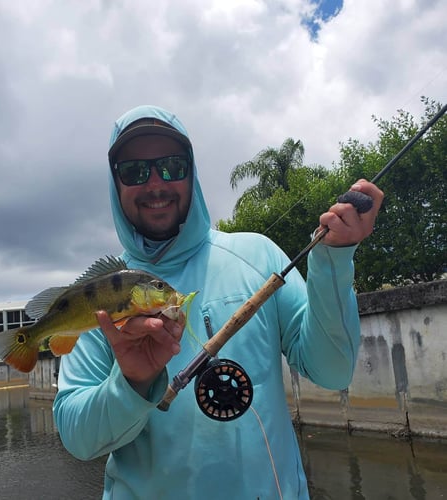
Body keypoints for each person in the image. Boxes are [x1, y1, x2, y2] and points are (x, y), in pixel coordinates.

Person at [53, 105, 384, 499]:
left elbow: (333, 371)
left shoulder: (258, 255)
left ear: (192, 173)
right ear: (116, 184)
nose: (156, 183)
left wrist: (333, 259)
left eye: (173, 166)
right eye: (135, 171)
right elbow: (78, 439)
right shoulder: (103, 299)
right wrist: (132, 383)